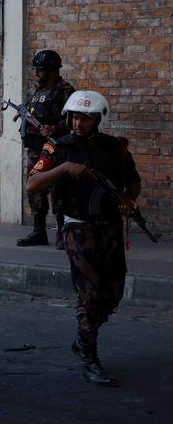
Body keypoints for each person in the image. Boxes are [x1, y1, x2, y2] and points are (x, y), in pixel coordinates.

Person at [27, 90, 141, 387]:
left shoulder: (115, 149)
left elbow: (133, 182)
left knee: (113, 290)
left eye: (86, 119)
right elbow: (32, 184)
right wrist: (64, 168)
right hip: (78, 226)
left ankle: (82, 336)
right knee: (90, 293)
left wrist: (128, 200)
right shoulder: (58, 147)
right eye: (75, 117)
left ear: (97, 120)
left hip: (111, 226)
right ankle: (90, 356)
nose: (79, 124)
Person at [16, 49, 75, 249]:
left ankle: (62, 232)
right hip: (34, 150)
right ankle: (39, 231)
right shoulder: (38, 90)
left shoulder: (64, 90)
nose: (37, 73)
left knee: (58, 191)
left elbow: (73, 120)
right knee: (35, 190)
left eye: (40, 70)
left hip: (54, 150)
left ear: (52, 70)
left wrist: (55, 128)